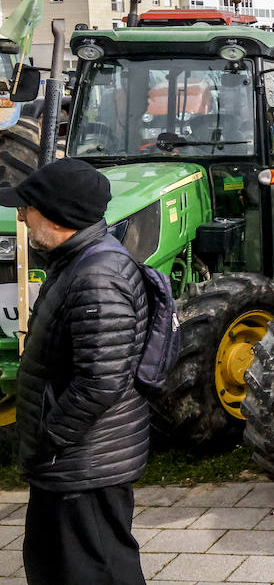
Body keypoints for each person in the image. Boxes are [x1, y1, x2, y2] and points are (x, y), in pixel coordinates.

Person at [6, 158, 150, 584]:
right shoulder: (77, 263)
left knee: (96, 571)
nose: (22, 217)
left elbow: (102, 379)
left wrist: (52, 438)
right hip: (70, 462)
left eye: (27, 207)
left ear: (58, 215)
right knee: (58, 568)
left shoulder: (97, 277)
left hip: (85, 465)